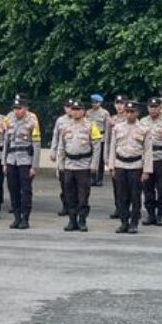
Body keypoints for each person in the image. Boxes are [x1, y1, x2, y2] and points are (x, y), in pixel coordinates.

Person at [52, 98, 102, 231]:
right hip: (69, 165)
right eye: (73, 109)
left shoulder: (91, 126)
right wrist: (60, 164)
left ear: (83, 111)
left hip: (84, 165)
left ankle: (82, 220)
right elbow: (61, 147)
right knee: (69, 194)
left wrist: (94, 165)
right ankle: (72, 220)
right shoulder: (65, 126)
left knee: (83, 195)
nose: (75, 112)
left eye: (78, 109)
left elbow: (96, 147)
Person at [107, 99, 146, 234]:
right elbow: (112, 147)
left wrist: (146, 170)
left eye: (132, 112)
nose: (129, 114)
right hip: (120, 164)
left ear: (138, 113)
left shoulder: (144, 129)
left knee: (135, 196)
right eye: (127, 111)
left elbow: (147, 151)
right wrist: (111, 166)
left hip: (136, 165)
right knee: (121, 195)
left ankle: (134, 222)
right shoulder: (118, 128)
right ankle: (124, 222)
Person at [3, 94, 40, 229]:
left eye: (19, 108)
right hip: (11, 160)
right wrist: (4, 163)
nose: (16, 111)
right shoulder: (9, 119)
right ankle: (17, 217)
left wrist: (34, 166)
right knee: (13, 189)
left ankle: (25, 218)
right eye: (15, 108)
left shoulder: (32, 120)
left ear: (25, 108)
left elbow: (36, 144)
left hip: (25, 160)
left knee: (25, 190)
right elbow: (6, 142)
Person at [141, 97, 162, 225]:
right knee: (147, 188)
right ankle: (150, 214)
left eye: (155, 107)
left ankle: (161, 214)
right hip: (147, 159)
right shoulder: (142, 121)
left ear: (160, 108)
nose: (153, 109)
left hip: (161, 158)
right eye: (151, 107)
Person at [49, 100, 73, 216]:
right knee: (63, 182)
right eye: (67, 106)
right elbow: (55, 136)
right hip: (62, 155)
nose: (69, 109)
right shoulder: (60, 120)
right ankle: (65, 205)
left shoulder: (80, 120)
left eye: (71, 107)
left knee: (73, 183)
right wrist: (53, 151)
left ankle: (74, 206)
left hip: (74, 157)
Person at [87, 94, 109, 186]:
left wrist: (107, 139)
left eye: (96, 102)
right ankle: (92, 178)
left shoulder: (105, 113)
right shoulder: (88, 113)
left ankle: (100, 178)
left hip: (101, 137)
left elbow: (107, 127)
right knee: (91, 158)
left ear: (100, 103)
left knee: (100, 160)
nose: (94, 104)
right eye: (92, 102)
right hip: (91, 138)